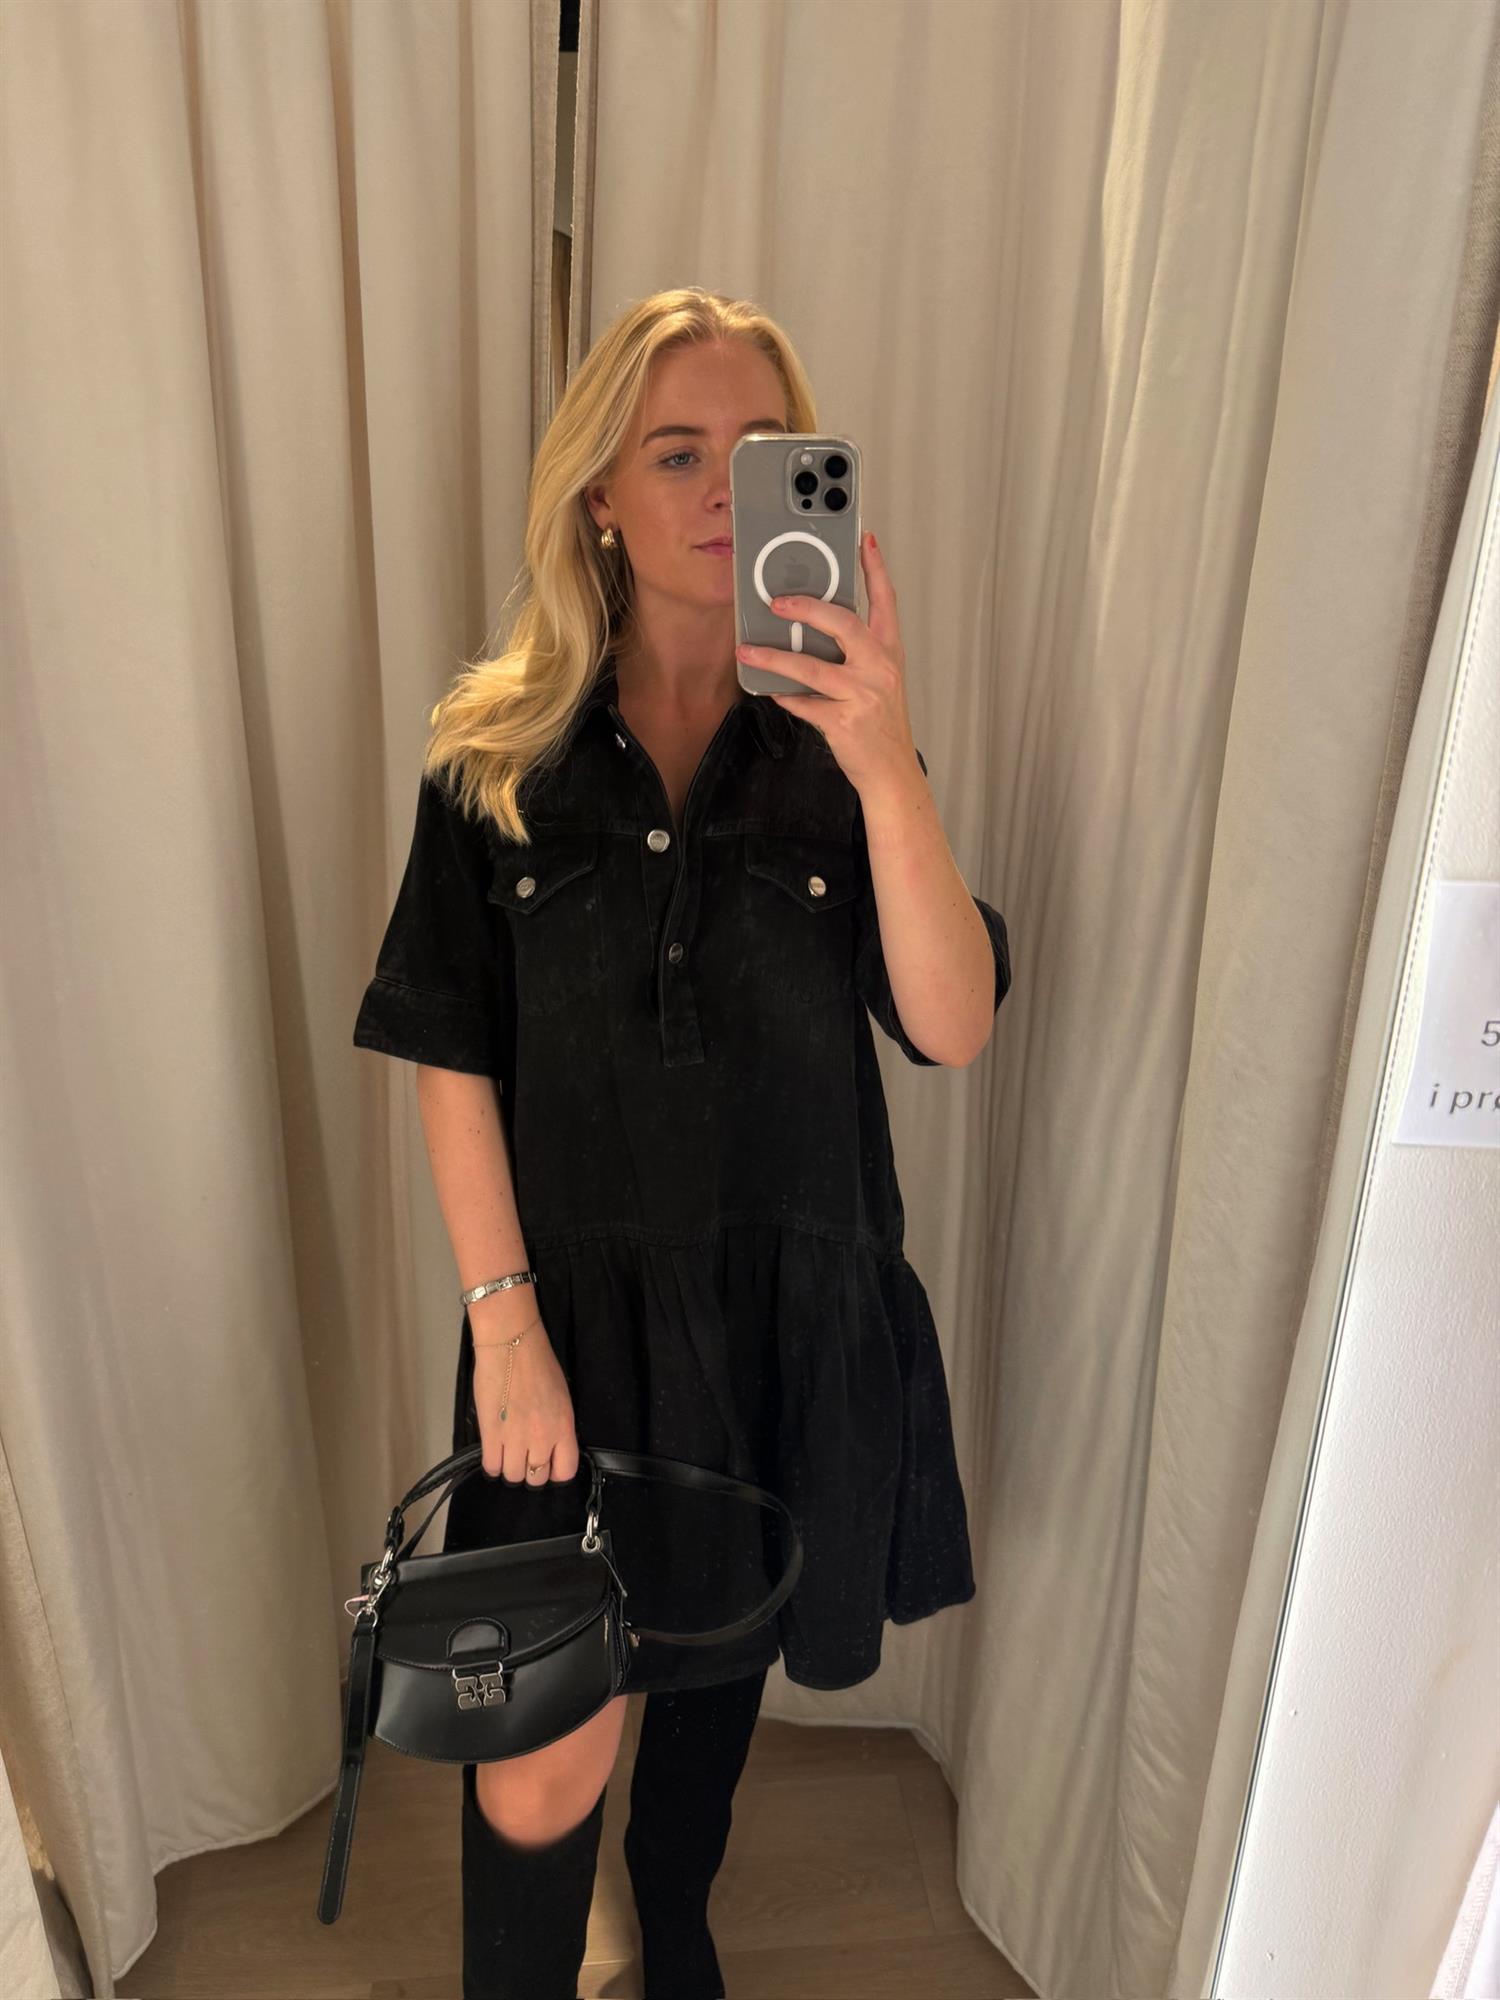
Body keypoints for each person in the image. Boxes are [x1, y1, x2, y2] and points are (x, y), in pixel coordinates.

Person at [352, 287, 1012, 2000]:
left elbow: (952, 1022)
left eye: (762, 450)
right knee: (538, 1740)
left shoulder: (846, 750)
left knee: (720, 1658)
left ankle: (675, 1910)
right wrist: (503, 1321)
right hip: (563, 1327)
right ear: (599, 493)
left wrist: (885, 760)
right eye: (675, 452)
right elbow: (447, 1054)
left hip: (781, 1303)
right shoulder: (497, 755)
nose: (723, 489)